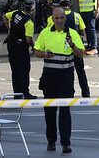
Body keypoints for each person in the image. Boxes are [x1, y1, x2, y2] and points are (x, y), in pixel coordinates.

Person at [34, 8, 85, 153]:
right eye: (57, 18)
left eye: (62, 18)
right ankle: (51, 141)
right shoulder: (45, 33)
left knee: (64, 110)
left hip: (66, 76)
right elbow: (36, 52)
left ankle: (65, 143)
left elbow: (80, 55)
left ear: (65, 18)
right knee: (49, 110)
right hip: (49, 76)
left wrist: (72, 45)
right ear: (52, 18)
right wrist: (44, 54)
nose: (60, 21)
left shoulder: (72, 34)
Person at [46, 0, 90, 98]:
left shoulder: (53, 17)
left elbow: (49, 32)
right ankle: (85, 92)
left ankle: (68, 91)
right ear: (69, 5)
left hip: (61, 49)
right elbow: (83, 31)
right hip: (75, 47)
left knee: (64, 71)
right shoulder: (76, 15)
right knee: (80, 70)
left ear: (60, 6)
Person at [2, 0, 37, 99]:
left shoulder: (16, 13)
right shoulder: (29, 22)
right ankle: (25, 92)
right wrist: (33, 47)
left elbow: (4, 16)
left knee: (15, 69)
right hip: (21, 47)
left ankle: (16, 93)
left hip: (11, 44)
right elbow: (28, 39)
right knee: (24, 69)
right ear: (33, 9)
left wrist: (9, 29)